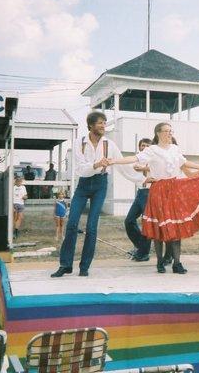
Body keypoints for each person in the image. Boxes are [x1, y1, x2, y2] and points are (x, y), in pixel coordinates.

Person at [51, 111, 142, 278]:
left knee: (92, 227)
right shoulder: (80, 143)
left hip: (100, 184)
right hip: (84, 184)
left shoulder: (110, 144)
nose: (103, 125)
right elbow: (80, 170)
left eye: (105, 122)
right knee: (71, 224)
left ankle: (84, 267)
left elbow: (122, 166)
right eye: (100, 122)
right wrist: (97, 164)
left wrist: (142, 179)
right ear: (91, 125)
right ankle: (65, 265)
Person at [113, 122, 199, 274]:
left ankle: (176, 263)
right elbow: (134, 158)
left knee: (175, 226)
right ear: (158, 133)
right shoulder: (152, 150)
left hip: (173, 189)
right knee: (158, 227)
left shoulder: (175, 149)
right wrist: (114, 160)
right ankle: (159, 262)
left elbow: (184, 162)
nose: (170, 134)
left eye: (171, 131)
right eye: (166, 131)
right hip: (158, 190)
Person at [124, 138, 152, 261]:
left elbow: (159, 169)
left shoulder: (154, 159)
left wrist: (144, 169)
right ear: (139, 147)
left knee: (146, 223)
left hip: (151, 193)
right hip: (141, 192)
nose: (144, 147)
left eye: (147, 145)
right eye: (142, 145)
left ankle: (143, 253)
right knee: (129, 221)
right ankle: (141, 247)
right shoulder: (137, 160)